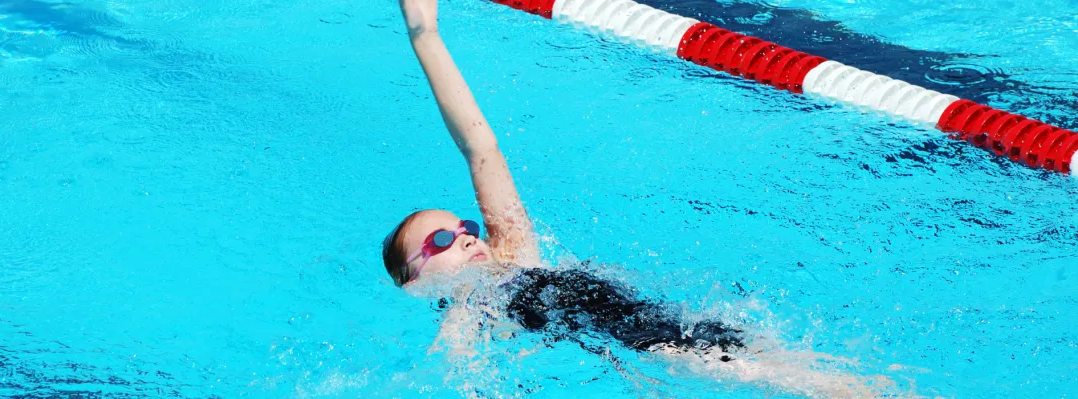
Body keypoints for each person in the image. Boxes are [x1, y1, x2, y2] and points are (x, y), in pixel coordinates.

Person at [383, 1, 911, 397]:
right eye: (444, 238)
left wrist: (424, 34)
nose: (469, 236)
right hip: (654, 347)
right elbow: (454, 369)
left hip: (670, 325)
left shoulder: (512, 254)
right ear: (414, 283)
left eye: (466, 225)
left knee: (829, 377)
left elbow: (481, 148)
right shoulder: (466, 311)